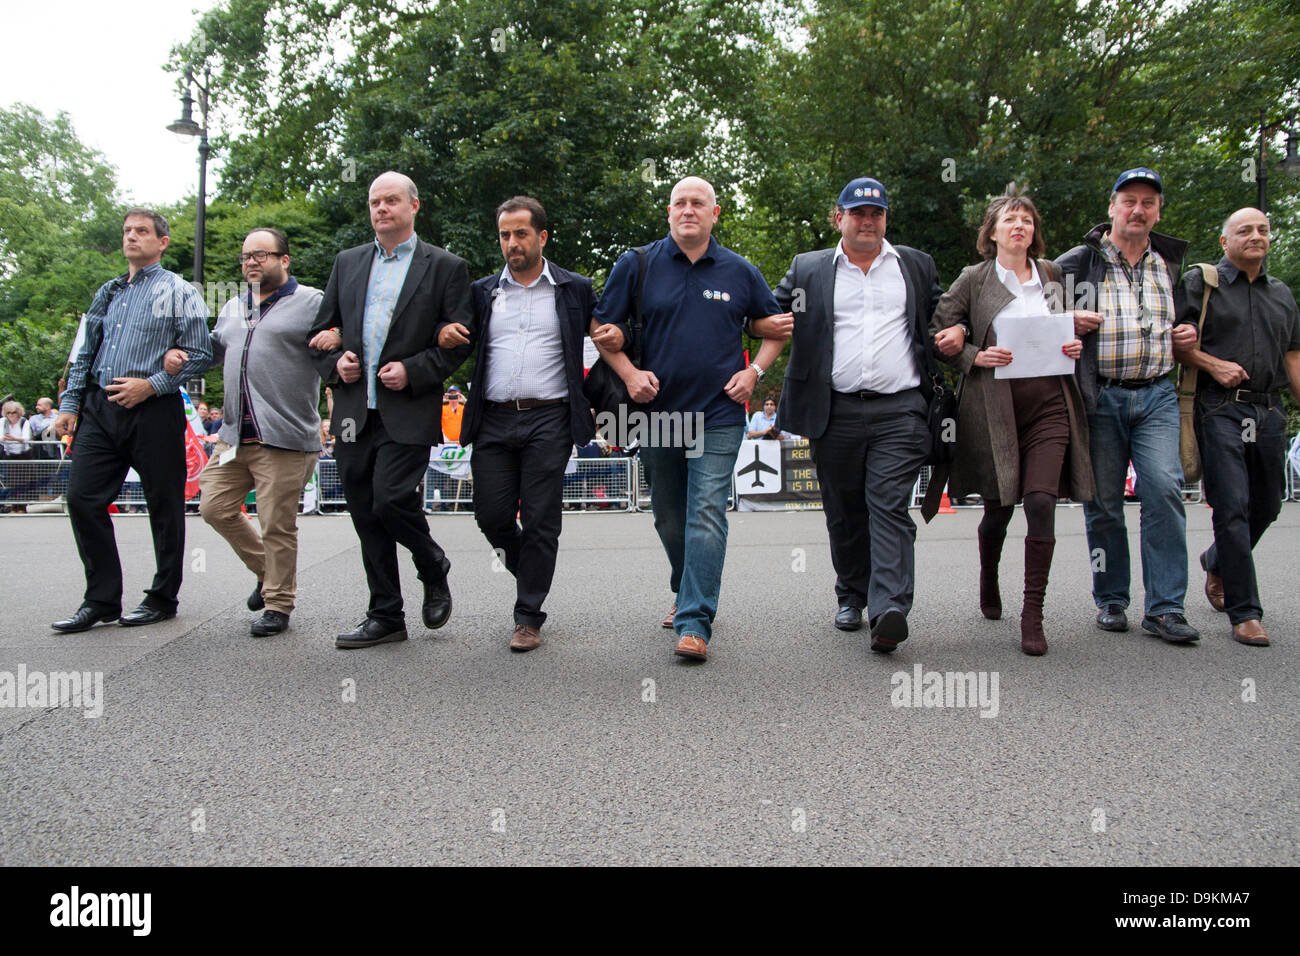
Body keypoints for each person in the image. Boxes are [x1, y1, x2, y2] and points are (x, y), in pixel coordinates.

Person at [594, 176, 791, 662]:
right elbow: (602, 329)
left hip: (719, 414)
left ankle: (695, 620)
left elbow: (775, 328)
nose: (688, 210)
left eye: (698, 203)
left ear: (715, 212)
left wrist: (754, 372)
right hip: (656, 415)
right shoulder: (636, 264)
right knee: (667, 514)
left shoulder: (740, 271)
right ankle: (686, 588)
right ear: (668, 212)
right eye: (679, 203)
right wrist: (630, 372)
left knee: (706, 511)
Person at [436, 195, 616, 651]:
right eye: (504, 235)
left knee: (540, 520)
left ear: (542, 236)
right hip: (493, 418)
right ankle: (535, 571)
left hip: (550, 417)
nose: (512, 243)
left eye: (520, 233)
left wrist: (617, 337)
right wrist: (442, 333)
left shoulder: (575, 288)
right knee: (492, 516)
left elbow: (604, 338)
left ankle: (528, 614)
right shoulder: (481, 292)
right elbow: (453, 339)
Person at [772, 177, 941, 652]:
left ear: (885, 219)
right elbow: (767, 313)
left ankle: (889, 607)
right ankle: (851, 594)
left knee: (887, 503)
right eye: (857, 213)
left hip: (902, 409)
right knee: (844, 511)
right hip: (834, 409)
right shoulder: (808, 269)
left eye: (876, 214)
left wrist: (957, 334)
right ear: (839, 217)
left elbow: (943, 317)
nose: (868, 222)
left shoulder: (915, 265)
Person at [306, 171, 472, 649]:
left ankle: (430, 562)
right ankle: (385, 615)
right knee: (365, 514)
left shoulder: (444, 266)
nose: (382, 209)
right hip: (356, 412)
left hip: (408, 409)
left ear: (413, 206)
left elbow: (459, 340)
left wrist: (415, 370)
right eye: (375, 202)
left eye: (392, 201)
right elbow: (319, 338)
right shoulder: (348, 262)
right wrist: (338, 364)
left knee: (391, 499)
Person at [930, 194, 1099, 655]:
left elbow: (1059, 331)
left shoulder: (1052, 275)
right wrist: (973, 355)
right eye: (1010, 219)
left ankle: (1033, 614)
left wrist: (1071, 344)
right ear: (992, 232)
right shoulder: (974, 278)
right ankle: (989, 575)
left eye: (1027, 219)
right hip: (994, 407)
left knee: (1041, 500)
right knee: (999, 508)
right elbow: (938, 332)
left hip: (1050, 403)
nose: (1020, 225)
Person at [1056, 167, 1201, 644]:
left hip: (1158, 392)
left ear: (1158, 211)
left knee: (1163, 489)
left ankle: (1165, 608)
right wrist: (1066, 320)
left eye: (1148, 202)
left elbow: (1191, 319)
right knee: (1103, 504)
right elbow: (1037, 316)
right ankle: (1112, 599)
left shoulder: (1171, 262)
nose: (1139, 210)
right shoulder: (1078, 262)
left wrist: (1190, 331)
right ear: (1112, 207)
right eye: (1130, 201)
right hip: (1101, 394)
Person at [50, 208, 211, 632]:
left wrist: (153, 384)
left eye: (142, 231)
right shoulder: (107, 292)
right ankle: (101, 599)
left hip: (153, 409)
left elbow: (202, 354)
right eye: (127, 231)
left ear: (162, 242)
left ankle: (162, 597)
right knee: (82, 498)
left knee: (165, 504)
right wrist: (69, 405)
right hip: (100, 409)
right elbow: (83, 352)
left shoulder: (180, 291)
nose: (132, 237)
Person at [164, 227, 325, 638]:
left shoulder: (312, 302)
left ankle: (279, 604)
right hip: (235, 435)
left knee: (276, 523)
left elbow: (340, 336)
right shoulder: (233, 306)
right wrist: (182, 356)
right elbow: (215, 349)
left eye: (261, 254)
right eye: (245, 256)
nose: (251, 262)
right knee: (213, 506)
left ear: (284, 260)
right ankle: (267, 573)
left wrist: (338, 335)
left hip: (285, 436)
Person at [1173, 207, 1300, 647]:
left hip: (1270, 410)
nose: (1256, 236)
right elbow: (1176, 342)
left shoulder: (1281, 293)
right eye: (1244, 230)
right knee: (1232, 507)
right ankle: (1245, 614)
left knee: (1268, 506)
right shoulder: (1201, 284)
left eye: (1263, 229)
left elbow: (1293, 356)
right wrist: (1214, 364)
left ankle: (1216, 560)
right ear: (1225, 242)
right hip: (1219, 407)